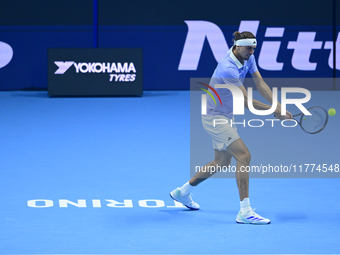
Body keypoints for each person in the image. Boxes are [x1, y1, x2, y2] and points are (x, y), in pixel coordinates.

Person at [170, 31, 292, 224]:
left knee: (221, 162)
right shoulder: (228, 68)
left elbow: (260, 84)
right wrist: (273, 111)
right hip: (215, 117)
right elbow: (245, 101)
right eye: (248, 48)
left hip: (225, 114)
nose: (251, 52)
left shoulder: (247, 57)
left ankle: (182, 192)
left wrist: (278, 106)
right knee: (244, 156)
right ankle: (245, 211)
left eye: (254, 48)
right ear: (237, 46)